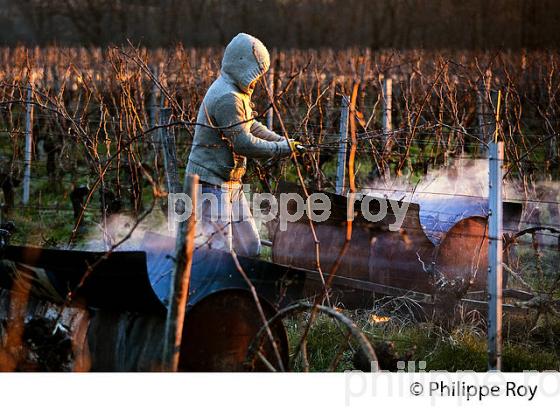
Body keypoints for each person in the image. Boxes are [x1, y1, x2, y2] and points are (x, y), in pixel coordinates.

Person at [185, 33, 300, 257]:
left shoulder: (236, 91)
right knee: (219, 252)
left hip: (230, 183)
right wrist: (281, 150)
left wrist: (279, 140)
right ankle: (213, 290)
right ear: (242, 66)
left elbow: (249, 125)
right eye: (256, 74)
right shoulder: (228, 97)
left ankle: (243, 289)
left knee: (249, 247)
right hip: (210, 182)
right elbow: (243, 144)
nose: (257, 81)